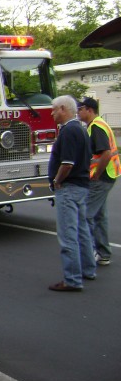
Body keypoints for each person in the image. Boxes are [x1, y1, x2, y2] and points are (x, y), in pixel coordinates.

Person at [48, 95, 97, 291]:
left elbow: (67, 163)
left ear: (62, 109)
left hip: (68, 187)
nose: (52, 113)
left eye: (53, 110)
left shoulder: (68, 131)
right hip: (82, 185)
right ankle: (88, 269)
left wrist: (56, 180)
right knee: (82, 230)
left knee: (68, 234)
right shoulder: (81, 129)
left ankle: (72, 279)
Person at [77, 97, 120, 266]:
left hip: (101, 178)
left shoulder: (96, 127)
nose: (78, 112)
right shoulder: (96, 125)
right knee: (100, 216)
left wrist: (96, 174)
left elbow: (106, 154)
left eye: (80, 109)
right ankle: (103, 253)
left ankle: (89, 253)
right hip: (108, 175)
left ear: (89, 110)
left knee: (85, 215)